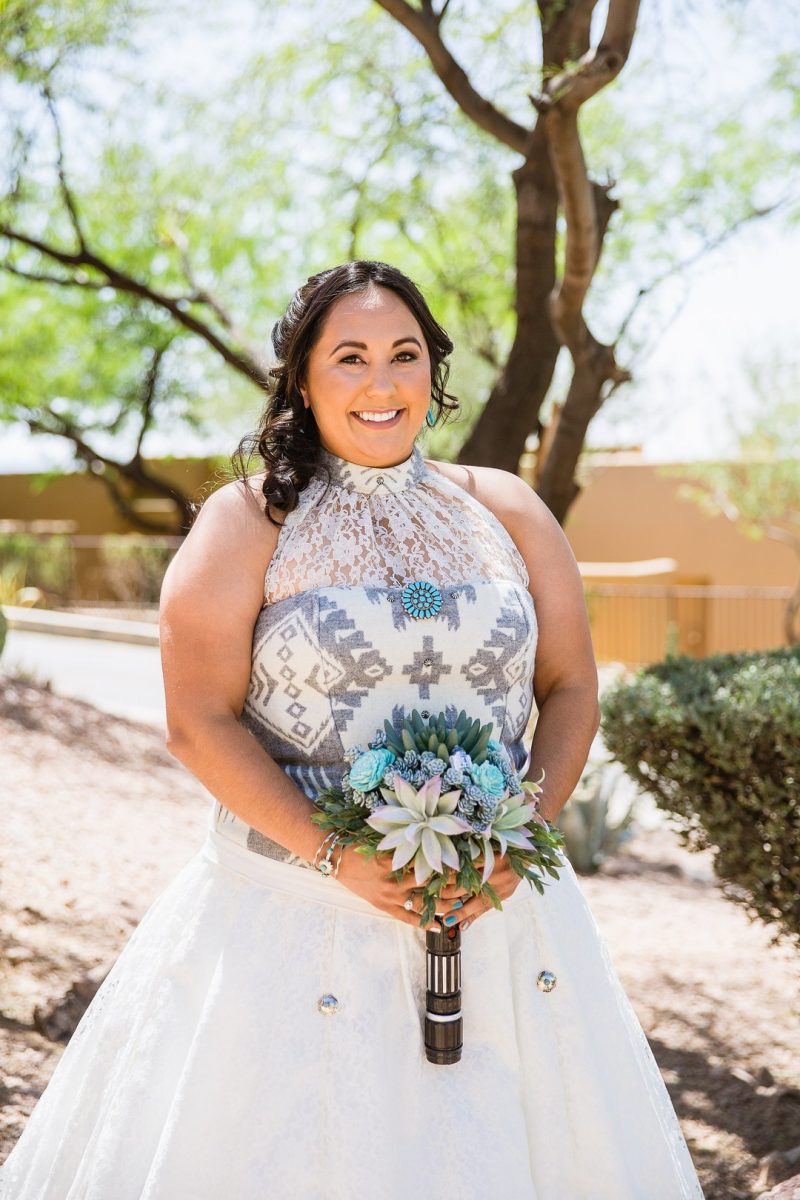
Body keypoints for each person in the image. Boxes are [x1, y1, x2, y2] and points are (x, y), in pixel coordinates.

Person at [0, 260, 705, 1199]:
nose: (382, 384)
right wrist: (342, 861)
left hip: (503, 917)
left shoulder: (508, 509)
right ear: (302, 378)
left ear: (433, 373)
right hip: (288, 916)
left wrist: (521, 830)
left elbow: (572, 685)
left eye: (404, 355)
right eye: (351, 358)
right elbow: (196, 722)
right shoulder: (246, 521)